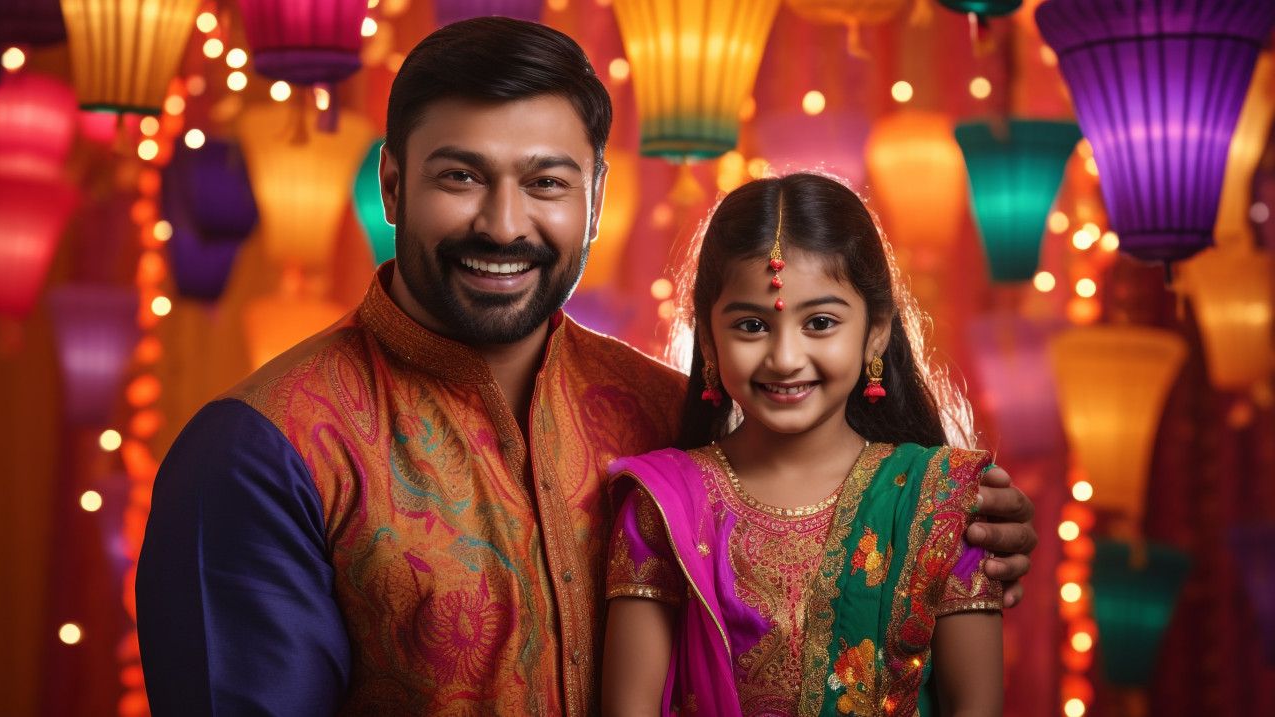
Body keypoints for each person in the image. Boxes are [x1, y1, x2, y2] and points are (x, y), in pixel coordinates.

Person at [136, 17, 1035, 717]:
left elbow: (813, 553)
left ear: (597, 200)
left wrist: (957, 530)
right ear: (393, 186)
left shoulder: (665, 411)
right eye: (460, 177)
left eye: (546, 182)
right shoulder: (263, 451)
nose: (503, 222)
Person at [602, 173, 1005, 717]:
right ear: (707, 339)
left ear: (877, 331)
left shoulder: (939, 502)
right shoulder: (664, 508)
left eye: (819, 322)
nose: (785, 357)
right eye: (751, 325)